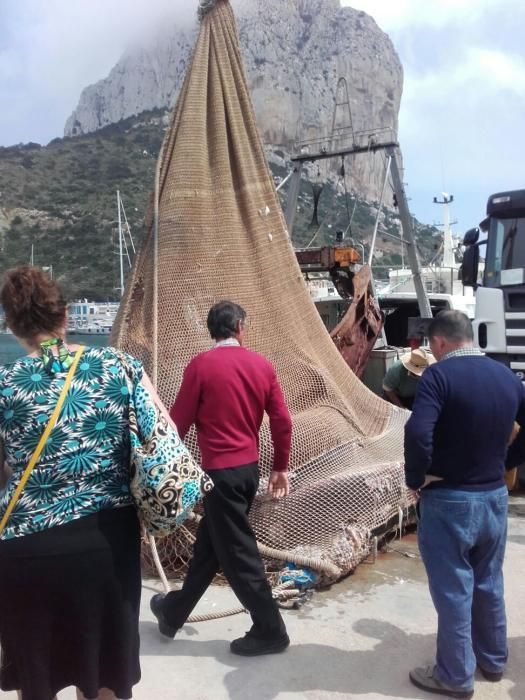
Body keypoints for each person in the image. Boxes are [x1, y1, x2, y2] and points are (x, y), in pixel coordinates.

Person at [0, 265, 167, 700]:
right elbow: (160, 440)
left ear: (12, 325)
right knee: (106, 676)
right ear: (66, 315)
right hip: (106, 547)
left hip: (25, 552)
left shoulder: (4, 385)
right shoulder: (119, 367)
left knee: (37, 681)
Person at [150, 300, 292, 656]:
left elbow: (177, 425)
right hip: (248, 473)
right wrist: (280, 468)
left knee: (238, 554)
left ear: (210, 330)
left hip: (218, 476)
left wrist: (161, 472)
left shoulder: (200, 367)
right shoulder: (262, 365)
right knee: (210, 548)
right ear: (240, 327)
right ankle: (173, 612)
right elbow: (282, 421)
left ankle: (270, 629)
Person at [404, 310, 525, 698]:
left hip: (450, 498)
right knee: (489, 581)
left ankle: (454, 676)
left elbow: (418, 432)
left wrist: (415, 479)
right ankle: (492, 660)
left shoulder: (438, 377)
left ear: (439, 342)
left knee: (455, 587)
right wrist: (508, 461)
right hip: (493, 498)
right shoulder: (507, 377)